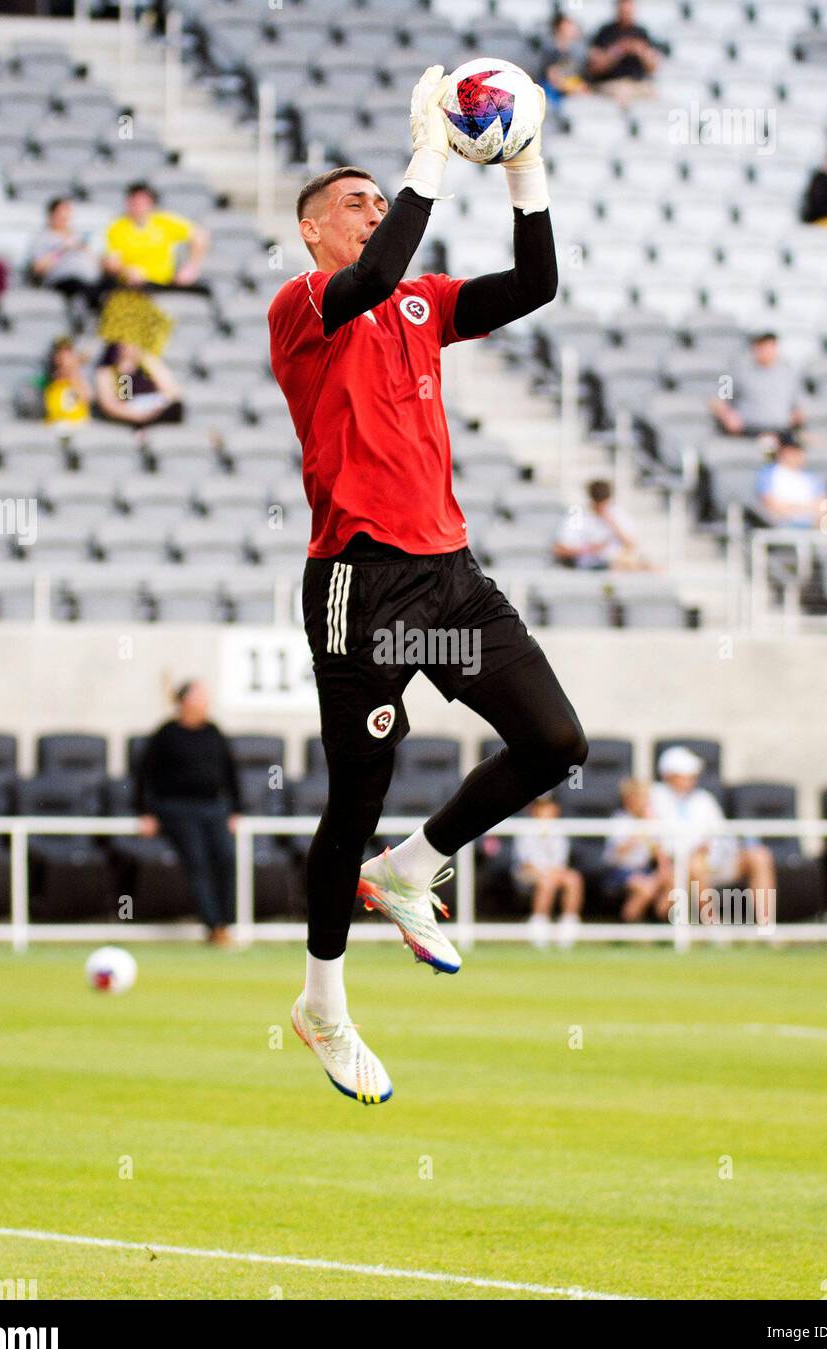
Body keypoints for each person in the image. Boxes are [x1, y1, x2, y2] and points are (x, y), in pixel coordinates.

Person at [268, 67, 587, 1105]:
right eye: (352, 202)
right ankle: (322, 1000)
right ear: (315, 231)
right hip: (359, 587)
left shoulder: (418, 300)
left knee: (554, 743)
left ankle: (413, 865)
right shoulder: (307, 302)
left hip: (449, 580)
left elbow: (532, 286)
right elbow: (372, 276)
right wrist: (427, 160)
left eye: (378, 197)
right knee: (351, 798)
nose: (373, 210)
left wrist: (524, 171)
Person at [135, 680, 239, 947]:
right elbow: (145, 774)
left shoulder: (213, 732)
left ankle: (226, 922)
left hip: (213, 807)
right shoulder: (166, 734)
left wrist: (235, 810)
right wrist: (145, 812)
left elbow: (230, 771)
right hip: (177, 809)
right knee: (197, 861)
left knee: (226, 857)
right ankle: (213, 926)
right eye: (199, 697)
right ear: (183, 702)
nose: (205, 703)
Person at [650, 747, 774, 930]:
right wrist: (694, 851)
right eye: (685, 775)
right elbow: (658, 841)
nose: (692, 779)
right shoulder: (655, 797)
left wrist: (712, 850)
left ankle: (767, 928)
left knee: (760, 856)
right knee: (695, 864)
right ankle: (713, 927)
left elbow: (723, 836)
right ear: (669, 775)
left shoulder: (704, 799)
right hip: (683, 866)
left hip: (716, 862)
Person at [104, 181, 210, 292]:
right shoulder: (117, 227)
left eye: (143, 202)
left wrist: (191, 267)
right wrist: (126, 270)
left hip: (165, 282)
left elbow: (200, 235)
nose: (138, 206)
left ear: (151, 203)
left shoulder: (164, 221)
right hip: (133, 285)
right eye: (134, 201)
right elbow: (111, 261)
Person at [512, 793, 583, 948]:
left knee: (573, 879)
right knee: (546, 882)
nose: (546, 811)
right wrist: (545, 873)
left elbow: (561, 861)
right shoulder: (525, 829)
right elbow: (526, 862)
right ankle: (539, 928)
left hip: (554, 872)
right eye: (542, 807)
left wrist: (553, 872)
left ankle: (568, 928)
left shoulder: (560, 830)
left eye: (549, 806)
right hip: (528, 873)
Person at [709, 332, 806, 441]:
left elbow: (799, 407)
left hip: (781, 431)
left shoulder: (788, 373)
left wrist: (795, 420)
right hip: (750, 430)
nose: (767, 350)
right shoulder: (738, 371)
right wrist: (727, 416)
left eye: (771, 346)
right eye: (763, 346)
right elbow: (718, 400)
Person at [601, 778, 669, 923]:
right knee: (645, 888)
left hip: (643, 869)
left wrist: (664, 871)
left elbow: (658, 853)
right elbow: (617, 854)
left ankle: (662, 924)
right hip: (619, 871)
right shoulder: (619, 820)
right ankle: (626, 928)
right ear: (628, 800)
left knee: (672, 881)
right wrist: (640, 831)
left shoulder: (650, 822)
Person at [29, 196, 108, 312]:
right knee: (83, 289)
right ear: (52, 215)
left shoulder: (77, 236)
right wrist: (62, 250)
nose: (65, 216)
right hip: (63, 280)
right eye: (62, 212)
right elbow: (38, 268)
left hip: (88, 279)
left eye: (67, 212)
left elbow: (95, 260)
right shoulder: (43, 238)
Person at [553, 478, 652, 570]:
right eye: (599, 503)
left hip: (618, 561)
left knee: (649, 567)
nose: (602, 507)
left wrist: (612, 523)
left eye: (604, 503)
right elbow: (560, 549)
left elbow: (632, 545)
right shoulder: (577, 514)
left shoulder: (617, 514)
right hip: (591, 564)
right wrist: (591, 549)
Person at [586, 0, 663, 106]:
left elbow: (653, 67)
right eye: (623, 9)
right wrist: (618, 51)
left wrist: (640, 51)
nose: (626, 12)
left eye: (629, 9)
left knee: (656, 101)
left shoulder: (641, 32)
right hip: (613, 83)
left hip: (638, 83)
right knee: (622, 96)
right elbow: (595, 68)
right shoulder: (605, 32)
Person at [93, 340, 183, 427]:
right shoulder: (107, 370)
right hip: (126, 414)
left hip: (153, 410)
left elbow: (172, 393)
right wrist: (139, 416)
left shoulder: (147, 361)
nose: (128, 346)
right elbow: (110, 405)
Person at [756, 437, 823, 528]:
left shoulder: (811, 478)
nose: (797, 455)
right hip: (779, 525)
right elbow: (771, 504)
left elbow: (821, 505)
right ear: (783, 452)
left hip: (812, 525)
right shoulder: (768, 474)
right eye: (792, 451)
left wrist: (792, 508)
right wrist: (805, 509)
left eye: (799, 451)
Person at [537, 12, 588, 106]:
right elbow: (551, 75)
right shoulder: (549, 48)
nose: (571, 29)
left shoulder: (580, 50)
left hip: (573, 88)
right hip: (552, 91)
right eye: (567, 25)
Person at [43, 337, 91, 426]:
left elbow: (86, 398)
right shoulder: (48, 379)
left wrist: (73, 372)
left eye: (67, 354)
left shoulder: (79, 378)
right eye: (59, 353)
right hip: (53, 424)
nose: (63, 358)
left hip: (77, 424)